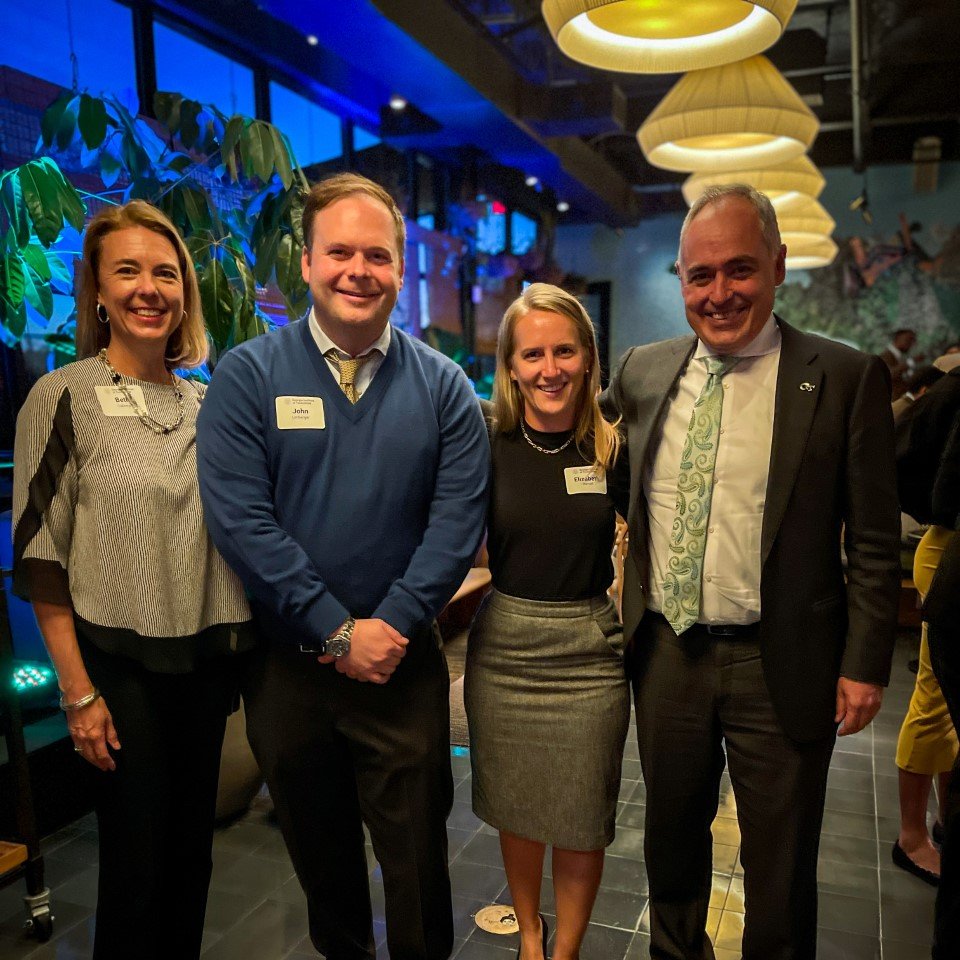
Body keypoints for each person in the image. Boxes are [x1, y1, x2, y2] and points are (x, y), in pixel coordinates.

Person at [602, 183, 900, 960]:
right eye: (699, 276)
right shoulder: (643, 370)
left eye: (739, 270)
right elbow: (610, 483)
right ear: (681, 281)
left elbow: (871, 538)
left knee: (780, 866)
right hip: (668, 655)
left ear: (778, 265)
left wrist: (864, 664)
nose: (718, 293)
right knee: (669, 846)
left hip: (785, 662)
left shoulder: (842, 376)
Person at [196, 172, 489, 960]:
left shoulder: (444, 387)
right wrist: (334, 632)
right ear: (306, 262)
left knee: (420, 868)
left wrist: (389, 625)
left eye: (378, 255)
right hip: (289, 676)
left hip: (404, 672)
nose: (359, 270)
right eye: (340, 252)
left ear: (400, 269)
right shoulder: (246, 378)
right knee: (323, 868)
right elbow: (241, 523)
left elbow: (457, 521)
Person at [11, 200, 253, 959]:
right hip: (120, 674)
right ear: (97, 292)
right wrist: (77, 694)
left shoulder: (210, 403)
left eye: (165, 272)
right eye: (128, 271)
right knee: (135, 870)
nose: (149, 288)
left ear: (184, 290)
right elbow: (44, 560)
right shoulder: (63, 396)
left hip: (207, 664)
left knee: (193, 859)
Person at [464, 284, 630, 960]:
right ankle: (531, 938)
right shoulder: (485, 441)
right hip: (505, 647)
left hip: (590, 652)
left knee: (583, 817)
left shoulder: (616, 447)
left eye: (564, 351)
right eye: (531, 354)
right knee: (517, 805)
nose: (549, 368)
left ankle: (567, 952)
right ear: (509, 367)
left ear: (589, 359)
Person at [891, 361, 960, 885]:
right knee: (934, 699)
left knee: (949, 712)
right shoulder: (952, 383)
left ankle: (942, 821)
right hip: (949, 551)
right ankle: (910, 836)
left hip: (946, 546)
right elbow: (902, 444)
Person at [880, 327, 918, 400]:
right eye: (908, 339)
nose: (910, 344)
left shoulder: (900, 357)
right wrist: (910, 363)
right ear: (898, 337)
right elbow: (889, 374)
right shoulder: (886, 355)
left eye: (913, 341)